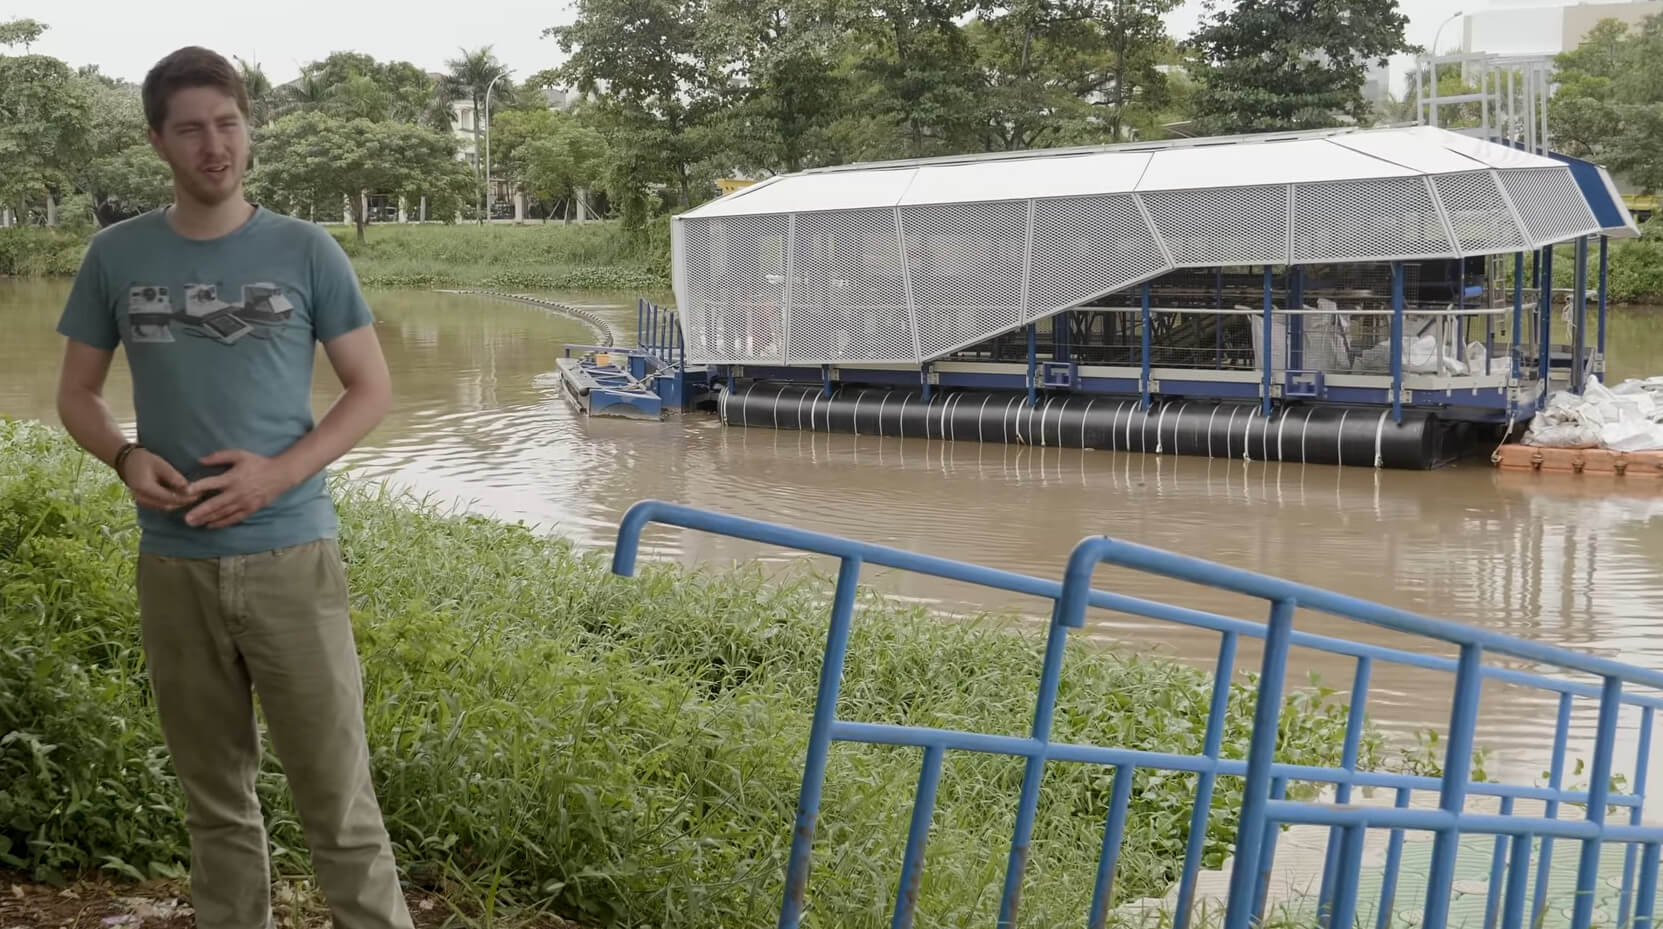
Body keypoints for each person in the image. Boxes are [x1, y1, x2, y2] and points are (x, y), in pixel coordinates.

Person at [53, 46, 411, 929]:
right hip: (174, 566)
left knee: (340, 803)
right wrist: (125, 459)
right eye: (190, 129)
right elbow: (76, 394)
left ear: (248, 129)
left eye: (227, 124)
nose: (213, 146)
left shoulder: (305, 248)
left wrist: (279, 473)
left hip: (292, 554)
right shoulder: (115, 254)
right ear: (157, 142)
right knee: (215, 806)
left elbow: (372, 390)